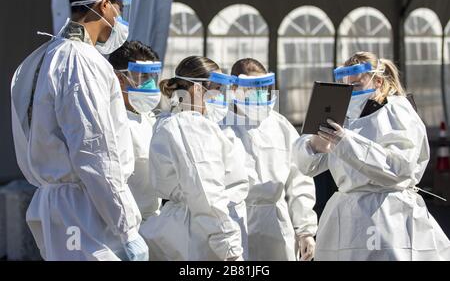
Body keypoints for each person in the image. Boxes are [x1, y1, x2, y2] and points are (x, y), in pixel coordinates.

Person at [10, 0, 148, 261]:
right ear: (105, 4)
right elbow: (95, 151)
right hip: (85, 209)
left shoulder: (49, 55)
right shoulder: (81, 60)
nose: (120, 20)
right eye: (119, 10)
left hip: (67, 206)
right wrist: (128, 229)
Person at [294, 51, 450, 260]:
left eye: (356, 85)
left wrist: (346, 141)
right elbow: (307, 167)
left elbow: (399, 168)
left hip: (388, 212)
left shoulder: (397, 111)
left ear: (377, 81)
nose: (350, 92)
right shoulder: (343, 113)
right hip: (347, 212)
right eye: (346, 86)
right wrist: (313, 145)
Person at [140, 56, 245, 261]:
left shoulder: (172, 120)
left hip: (187, 227)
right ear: (197, 89)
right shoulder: (191, 126)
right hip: (199, 234)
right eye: (215, 88)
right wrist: (231, 252)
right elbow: (207, 194)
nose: (219, 96)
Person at [223, 58, 318, 261]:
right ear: (233, 88)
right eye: (250, 89)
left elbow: (299, 179)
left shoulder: (280, 125)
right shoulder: (220, 125)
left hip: (276, 222)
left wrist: (305, 230)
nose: (258, 95)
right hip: (235, 221)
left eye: (262, 88)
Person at [109, 41, 162, 221]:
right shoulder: (112, 121)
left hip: (151, 220)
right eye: (142, 77)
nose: (149, 84)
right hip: (124, 222)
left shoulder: (148, 117)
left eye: (152, 77)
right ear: (119, 79)